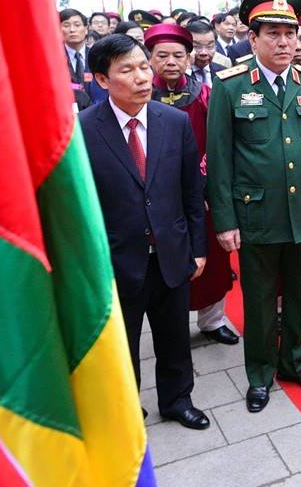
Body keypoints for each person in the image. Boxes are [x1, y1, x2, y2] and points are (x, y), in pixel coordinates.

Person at [206, 0, 301, 411]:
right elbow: (220, 160)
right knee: (261, 300)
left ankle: (295, 363)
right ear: (253, 38)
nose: (285, 43)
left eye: (291, 34)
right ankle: (260, 374)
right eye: (273, 34)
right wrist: (225, 221)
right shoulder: (230, 86)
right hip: (257, 215)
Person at [79, 33, 209, 430]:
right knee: (123, 343)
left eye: (142, 66)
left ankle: (177, 400)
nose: (141, 77)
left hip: (171, 252)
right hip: (117, 260)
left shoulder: (174, 122)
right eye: (127, 70)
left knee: (175, 336)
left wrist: (198, 248)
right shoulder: (83, 130)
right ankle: (125, 409)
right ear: (103, 79)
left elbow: (191, 191)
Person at [146, 23, 239, 346]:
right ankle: (171, 326)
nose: (171, 62)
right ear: (150, 59)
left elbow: (219, 142)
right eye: (162, 56)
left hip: (201, 191)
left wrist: (203, 179)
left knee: (212, 258)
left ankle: (213, 321)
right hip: (156, 194)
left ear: (188, 58)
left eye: (178, 55)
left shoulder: (204, 95)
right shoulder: (142, 96)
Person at [60, 8, 94, 111]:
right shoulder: (54, 60)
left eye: (77, 25)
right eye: (66, 25)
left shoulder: (97, 56)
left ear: (86, 29)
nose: (72, 30)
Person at [187, 20, 229, 86]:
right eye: (196, 46)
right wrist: (187, 69)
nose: (204, 53)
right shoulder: (179, 74)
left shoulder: (223, 72)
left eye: (210, 46)